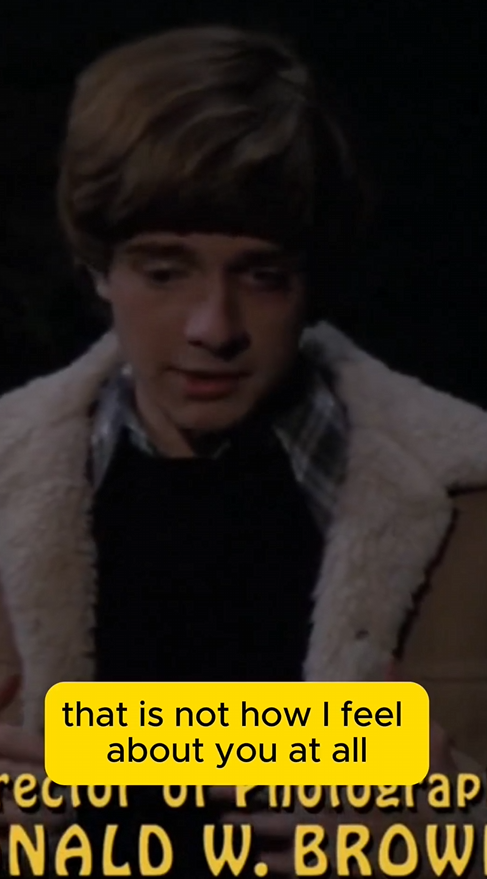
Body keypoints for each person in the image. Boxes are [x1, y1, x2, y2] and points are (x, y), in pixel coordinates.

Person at [0, 23, 486, 877]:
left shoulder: (469, 500)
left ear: (311, 280)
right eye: (165, 272)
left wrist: (461, 836)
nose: (212, 327)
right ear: (97, 268)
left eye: (261, 275)